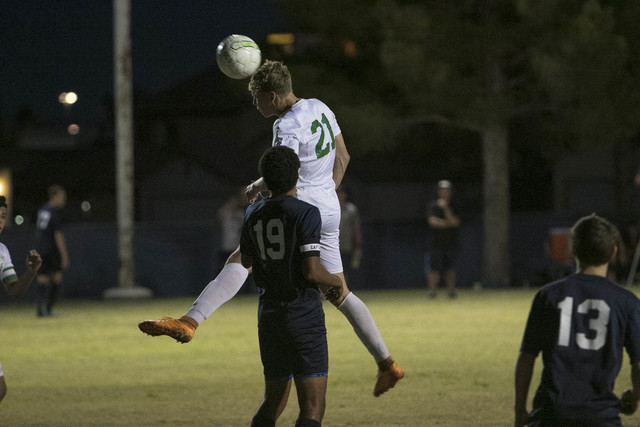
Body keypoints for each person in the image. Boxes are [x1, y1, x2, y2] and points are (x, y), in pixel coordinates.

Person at [139, 60, 404, 397]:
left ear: (273, 95)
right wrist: (326, 193)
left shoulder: (286, 126)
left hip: (299, 210)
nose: (254, 104)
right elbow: (344, 157)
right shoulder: (319, 106)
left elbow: (285, 171)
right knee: (339, 291)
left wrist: (257, 188)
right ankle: (386, 364)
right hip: (328, 208)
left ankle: (190, 322)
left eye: (257, 97)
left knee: (243, 257)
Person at [242, 146, 342, 427]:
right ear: (297, 175)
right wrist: (336, 280)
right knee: (312, 406)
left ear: (265, 178)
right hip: (302, 314)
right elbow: (312, 271)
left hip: (269, 315)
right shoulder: (307, 213)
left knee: (272, 401)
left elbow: (247, 260)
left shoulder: (252, 213)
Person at [514, 214, 640, 427]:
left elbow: (526, 358)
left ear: (573, 250)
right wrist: (635, 396)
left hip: (551, 414)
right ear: (613, 252)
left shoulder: (548, 296)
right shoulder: (626, 302)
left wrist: (519, 412)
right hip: (601, 418)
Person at [0, 195, 43, 402]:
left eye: (3, 216)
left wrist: (31, 273)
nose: (0, 220)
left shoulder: (2, 251)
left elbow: (14, 290)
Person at [35, 184, 69, 317]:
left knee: (42, 278)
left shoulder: (42, 210)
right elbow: (58, 235)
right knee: (56, 277)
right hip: (52, 249)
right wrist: (64, 255)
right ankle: (48, 309)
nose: (63, 200)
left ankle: (39, 310)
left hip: (41, 248)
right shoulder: (55, 212)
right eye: (61, 197)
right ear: (54, 196)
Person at [426, 180, 460, 298]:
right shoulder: (433, 205)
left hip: (450, 243)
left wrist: (446, 209)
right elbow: (432, 222)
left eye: (447, 190)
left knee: (450, 269)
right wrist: (447, 223)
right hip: (435, 243)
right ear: (439, 191)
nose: (445, 192)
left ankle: (451, 292)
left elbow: (455, 222)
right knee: (434, 269)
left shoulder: (454, 205)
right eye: (442, 190)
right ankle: (432, 292)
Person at [337, 185, 362, 288]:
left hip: (346, 245)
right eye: (338, 192)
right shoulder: (331, 207)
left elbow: (356, 229)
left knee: (344, 270)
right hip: (333, 245)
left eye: (342, 193)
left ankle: (343, 290)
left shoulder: (351, 210)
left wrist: (358, 246)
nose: (340, 195)